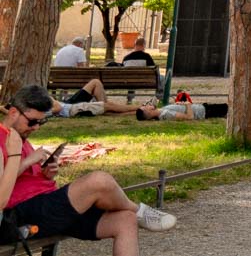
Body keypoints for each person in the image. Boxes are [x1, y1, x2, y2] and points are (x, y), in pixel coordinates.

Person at [3, 85, 177, 250]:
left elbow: (24, 179)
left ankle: (134, 213)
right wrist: (27, 161)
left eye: (42, 122)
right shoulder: (5, 139)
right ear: (13, 113)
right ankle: (139, 210)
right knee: (99, 181)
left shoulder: (19, 136)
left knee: (125, 220)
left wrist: (46, 175)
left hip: (46, 204)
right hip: (21, 214)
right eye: (32, 122)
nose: (36, 128)